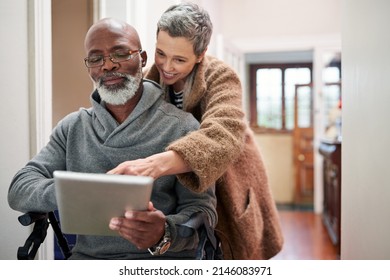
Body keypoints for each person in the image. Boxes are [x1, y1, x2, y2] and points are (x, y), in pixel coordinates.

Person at [8, 18, 217, 260]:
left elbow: (203, 212)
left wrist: (165, 232)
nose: (107, 66)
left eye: (120, 53)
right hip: (89, 261)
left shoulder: (182, 126)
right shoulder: (73, 127)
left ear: (143, 59)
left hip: (161, 262)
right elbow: (20, 188)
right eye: (95, 58)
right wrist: (75, 193)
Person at [108, 3, 283, 259]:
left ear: (201, 55)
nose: (167, 66)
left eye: (180, 59)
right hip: (186, 196)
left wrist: (155, 165)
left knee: (235, 254)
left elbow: (224, 132)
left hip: (230, 182)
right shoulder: (148, 81)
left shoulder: (221, 76)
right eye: (161, 53)